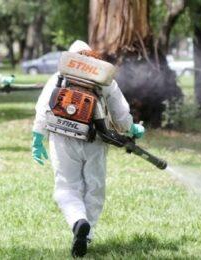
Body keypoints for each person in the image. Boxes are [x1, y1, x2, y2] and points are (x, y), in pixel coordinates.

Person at [31, 40, 145, 257]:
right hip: (95, 139)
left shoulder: (59, 77)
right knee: (94, 188)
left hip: (62, 137)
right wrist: (133, 129)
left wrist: (38, 138)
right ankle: (87, 232)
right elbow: (121, 115)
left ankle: (77, 221)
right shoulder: (104, 79)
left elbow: (43, 108)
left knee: (66, 187)